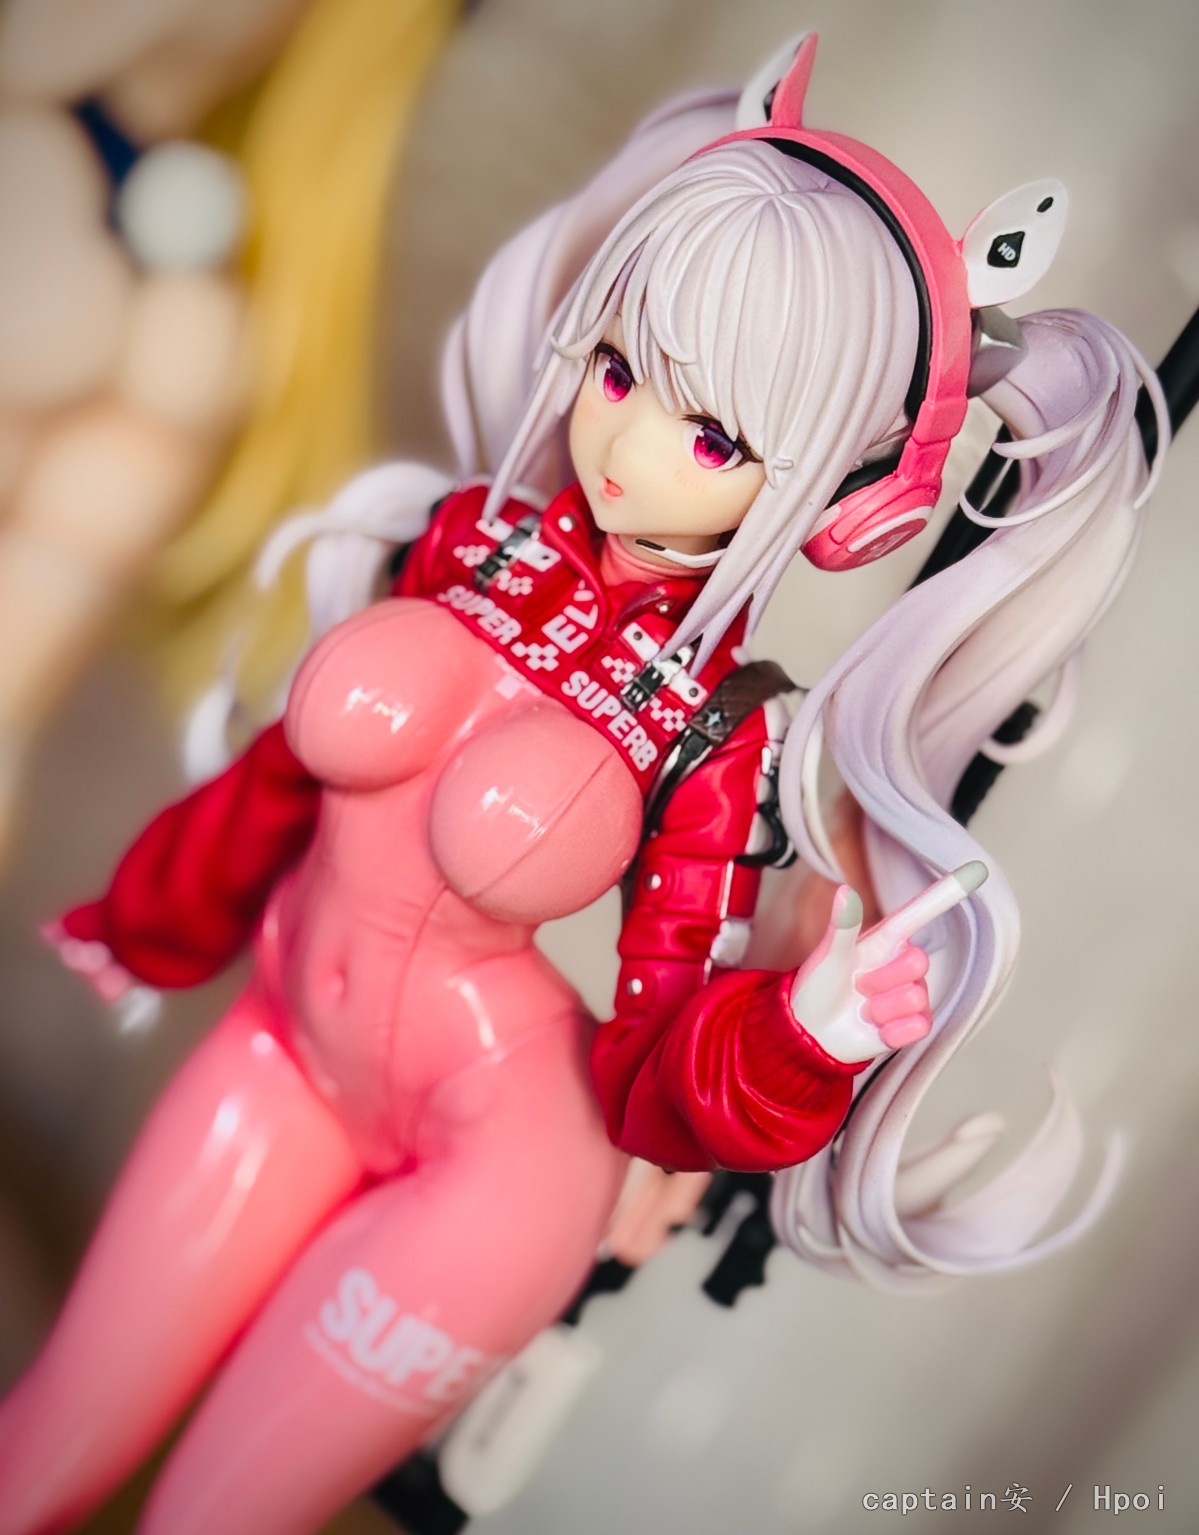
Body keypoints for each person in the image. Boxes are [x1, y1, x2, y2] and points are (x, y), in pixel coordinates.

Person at [0, 33, 1165, 1535]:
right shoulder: (470, 538)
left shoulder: (716, 727)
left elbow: (653, 1050)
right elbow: (290, 779)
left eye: (715, 435)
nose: (625, 445)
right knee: (41, 1444)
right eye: (619, 369)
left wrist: (801, 1034)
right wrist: (158, 915)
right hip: (280, 1048)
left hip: (496, 1171)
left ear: (842, 498)